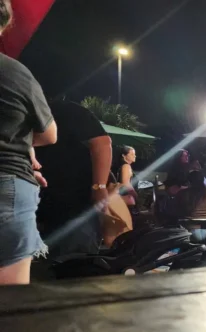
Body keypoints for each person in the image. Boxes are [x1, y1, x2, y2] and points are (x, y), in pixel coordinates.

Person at [0, 0, 58, 285]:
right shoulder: (15, 73)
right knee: (11, 306)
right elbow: (50, 134)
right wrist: (23, 144)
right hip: (8, 185)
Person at [36, 100, 112, 259]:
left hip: (73, 205)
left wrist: (99, 187)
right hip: (38, 204)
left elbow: (102, 142)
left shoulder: (64, 109)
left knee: (74, 266)